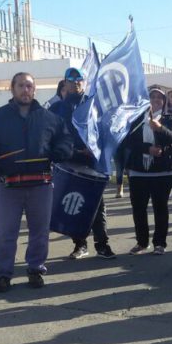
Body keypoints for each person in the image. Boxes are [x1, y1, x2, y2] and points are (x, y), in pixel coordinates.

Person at [0, 72, 73, 292]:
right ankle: (3, 274)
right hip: (8, 185)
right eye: (21, 85)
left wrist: (61, 150)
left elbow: (65, 138)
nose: (25, 90)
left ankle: (36, 269)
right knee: (4, 232)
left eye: (29, 86)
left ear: (34, 89)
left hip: (41, 185)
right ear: (12, 88)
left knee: (40, 231)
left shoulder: (49, 118)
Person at [49, 67, 116, 260]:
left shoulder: (93, 105)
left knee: (97, 206)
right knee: (74, 205)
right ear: (65, 84)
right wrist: (69, 152)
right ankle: (80, 245)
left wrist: (95, 150)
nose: (77, 83)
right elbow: (51, 136)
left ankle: (102, 245)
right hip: (68, 164)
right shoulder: (56, 108)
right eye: (72, 80)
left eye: (80, 80)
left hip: (92, 163)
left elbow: (105, 130)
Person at [125, 85, 172, 254]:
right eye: (152, 96)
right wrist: (147, 149)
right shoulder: (136, 118)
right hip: (138, 170)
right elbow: (128, 140)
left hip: (163, 171)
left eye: (160, 97)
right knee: (138, 207)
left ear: (164, 101)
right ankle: (142, 242)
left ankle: (159, 243)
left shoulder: (171, 117)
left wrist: (159, 128)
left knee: (160, 207)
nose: (156, 100)